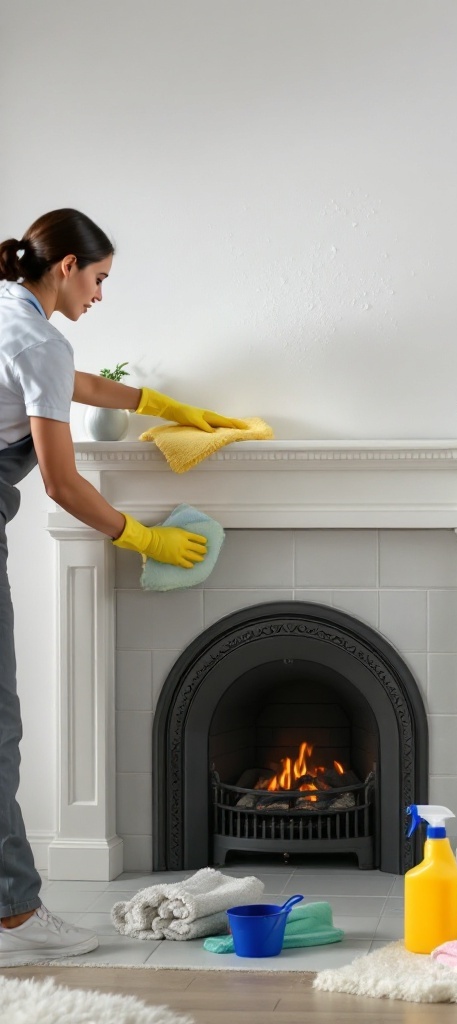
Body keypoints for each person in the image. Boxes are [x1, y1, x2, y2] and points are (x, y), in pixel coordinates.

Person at [0, 208, 248, 965]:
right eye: (100, 279)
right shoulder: (39, 333)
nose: (102, 295)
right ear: (67, 266)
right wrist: (144, 538)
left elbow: (61, 384)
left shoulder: (9, 312)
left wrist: (157, 404)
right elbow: (65, 484)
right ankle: (12, 920)